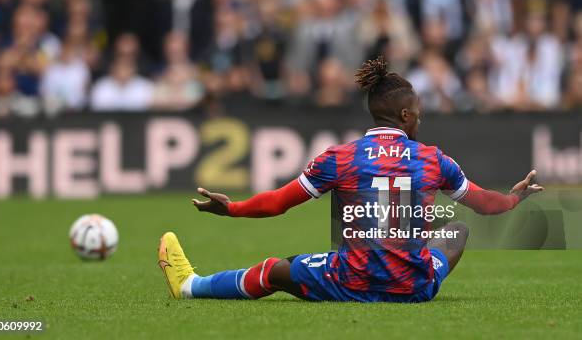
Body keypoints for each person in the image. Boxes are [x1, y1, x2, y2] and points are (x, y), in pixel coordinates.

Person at [158, 57, 543, 303]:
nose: (420, 120)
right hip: (415, 289)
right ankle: (411, 264)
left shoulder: (340, 157)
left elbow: (278, 203)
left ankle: (191, 286)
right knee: (457, 231)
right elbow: (485, 205)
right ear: (406, 116)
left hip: (351, 281)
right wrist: (513, 198)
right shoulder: (433, 159)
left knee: (275, 269)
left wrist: (234, 209)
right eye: (419, 114)